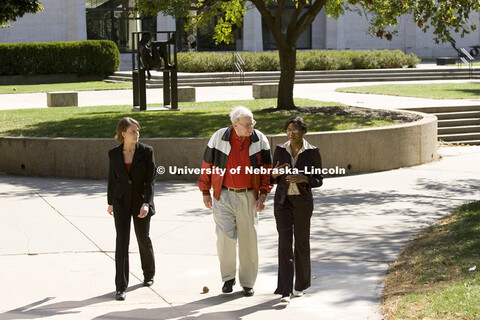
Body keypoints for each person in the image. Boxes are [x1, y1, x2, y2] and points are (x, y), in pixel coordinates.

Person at [198, 106, 273, 297]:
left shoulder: (260, 139)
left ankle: (247, 282)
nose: (251, 128)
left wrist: (263, 195)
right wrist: (205, 191)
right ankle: (228, 279)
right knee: (225, 238)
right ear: (235, 124)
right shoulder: (219, 137)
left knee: (249, 239)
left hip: (249, 196)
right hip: (223, 194)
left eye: (252, 123)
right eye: (247, 124)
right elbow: (207, 164)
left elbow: (266, 170)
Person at [271, 116, 323, 303]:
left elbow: (319, 180)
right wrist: (276, 172)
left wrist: (303, 178)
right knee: (284, 244)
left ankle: (300, 285)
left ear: (303, 132)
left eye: (294, 130)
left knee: (301, 243)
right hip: (282, 203)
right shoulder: (279, 150)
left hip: (302, 204)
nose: (290, 134)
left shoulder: (312, 152)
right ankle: (285, 290)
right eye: (288, 130)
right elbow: (271, 177)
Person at [107, 117, 157, 301]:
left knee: (143, 238)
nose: (137, 134)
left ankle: (149, 274)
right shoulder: (114, 153)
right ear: (123, 134)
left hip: (140, 202)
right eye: (132, 132)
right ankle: (120, 286)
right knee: (122, 242)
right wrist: (110, 202)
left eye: (137, 131)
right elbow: (112, 179)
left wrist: (147, 203)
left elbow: (150, 181)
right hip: (120, 202)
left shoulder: (146, 152)